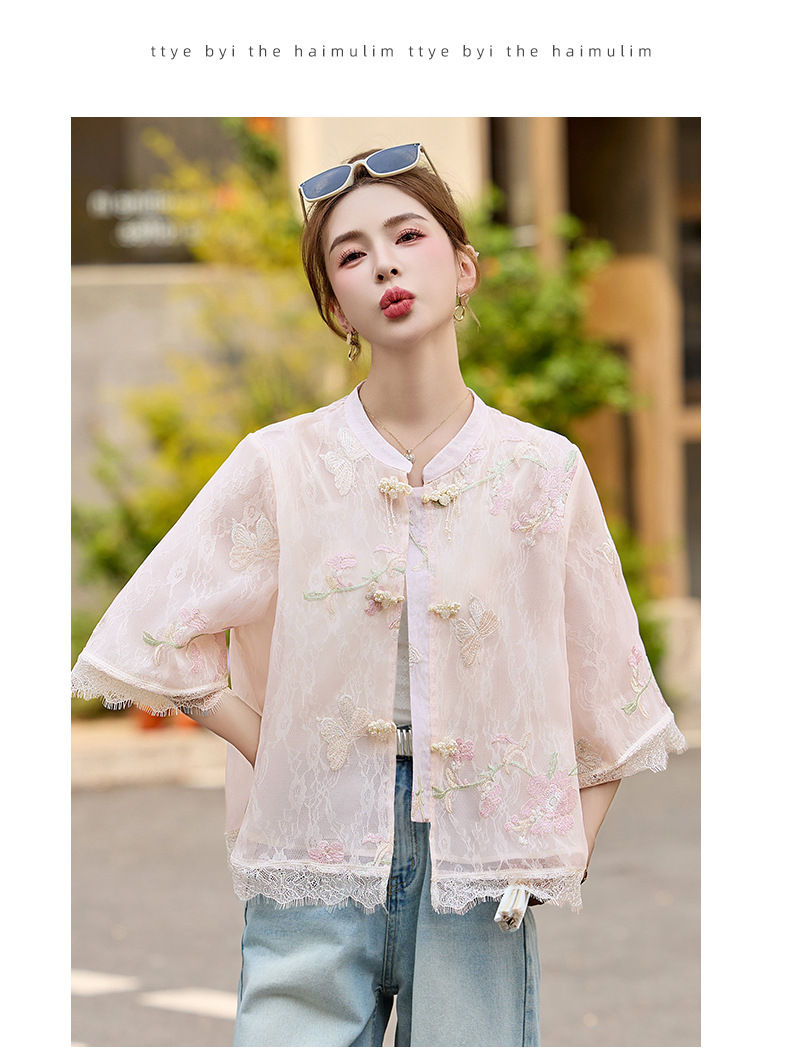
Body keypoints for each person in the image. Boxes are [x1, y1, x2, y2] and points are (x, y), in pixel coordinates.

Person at [72, 142, 687, 1047]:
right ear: (336, 306)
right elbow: (151, 632)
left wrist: (562, 849)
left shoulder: (542, 471)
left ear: (464, 266)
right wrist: (274, 745)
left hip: (478, 867)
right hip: (311, 850)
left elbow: (612, 696)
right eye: (351, 255)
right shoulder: (281, 464)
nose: (385, 265)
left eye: (408, 236)